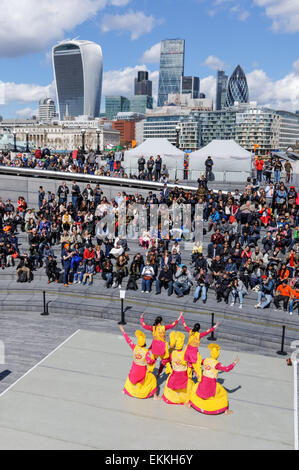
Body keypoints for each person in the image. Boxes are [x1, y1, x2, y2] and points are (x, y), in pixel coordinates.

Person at [189, 343, 239, 415]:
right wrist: (235, 362)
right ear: (217, 355)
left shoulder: (206, 360)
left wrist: (197, 374)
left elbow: (197, 364)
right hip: (211, 384)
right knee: (223, 393)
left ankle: (190, 403)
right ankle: (225, 410)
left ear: (211, 353)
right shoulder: (217, 364)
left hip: (202, 382)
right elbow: (227, 369)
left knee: (194, 388)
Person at [119, 326, 158, 400]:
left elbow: (128, 340)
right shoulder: (146, 352)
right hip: (141, 372)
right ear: (144, 343)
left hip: (134, 369)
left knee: (129, 376)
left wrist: (123, 330)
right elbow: (149, 361)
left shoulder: (134, 347)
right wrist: (154, 360)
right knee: (152, 379)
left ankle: (124, 390)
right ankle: (155, 396)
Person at [162, 332, 196, 406]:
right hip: (183, 375)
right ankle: (186, 400)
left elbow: (165, 361)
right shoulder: (185, 353)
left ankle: (172, 398)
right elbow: (191, 364)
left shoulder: (172, 353)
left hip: (174, 373)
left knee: (169, 381)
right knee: (190, 385)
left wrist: (170, 369)